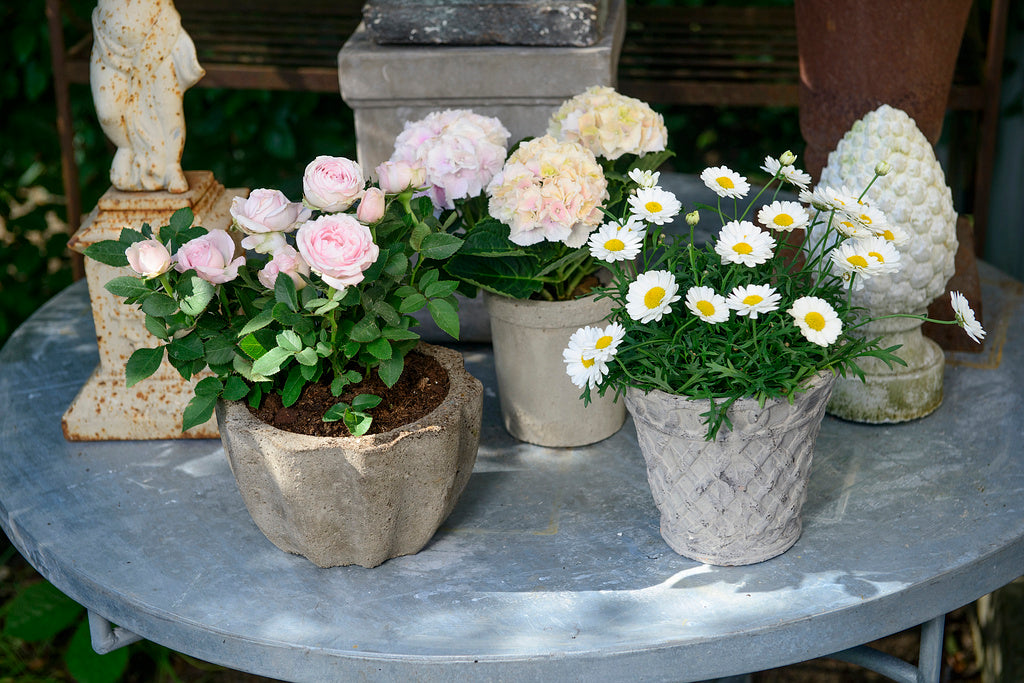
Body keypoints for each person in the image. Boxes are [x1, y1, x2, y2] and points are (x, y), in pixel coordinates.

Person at [90, 0, 204, 193]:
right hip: (107, 41)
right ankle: (126, 148)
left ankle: (171, 166)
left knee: (167, 107)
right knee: (108, 112)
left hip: (157, 35)